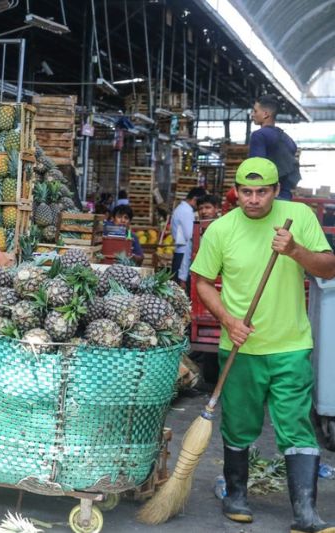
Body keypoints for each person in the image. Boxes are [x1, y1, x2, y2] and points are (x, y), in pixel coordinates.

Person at [189, 157, 335, 531]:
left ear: (276, 191)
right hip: (241, 348)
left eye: (262, 192)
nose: (253, 200)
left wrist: (295, 251)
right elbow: (203, 281)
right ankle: (236, 496)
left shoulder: (298, 217)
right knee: (238, 425)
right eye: (246, 192)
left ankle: (305, 512)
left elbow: (328, 267)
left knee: (296, 427)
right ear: (235, 191)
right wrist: (229, 321)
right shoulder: (220, 229)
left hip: (290, 346)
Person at [249, 94, 300, 200]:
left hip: (266, 196)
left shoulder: (259, 135)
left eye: (255, 111)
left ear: (265, 114)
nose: (252, 115)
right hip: (286, 196)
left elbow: (257, 169)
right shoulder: (287, 139)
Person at [170, 187, 207, 286]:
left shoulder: (182, 209)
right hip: (183, 255)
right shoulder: (186, 211)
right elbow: (191, 235)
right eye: (200, 204)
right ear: (195, 199)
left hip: (181, 252)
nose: (201, 209)